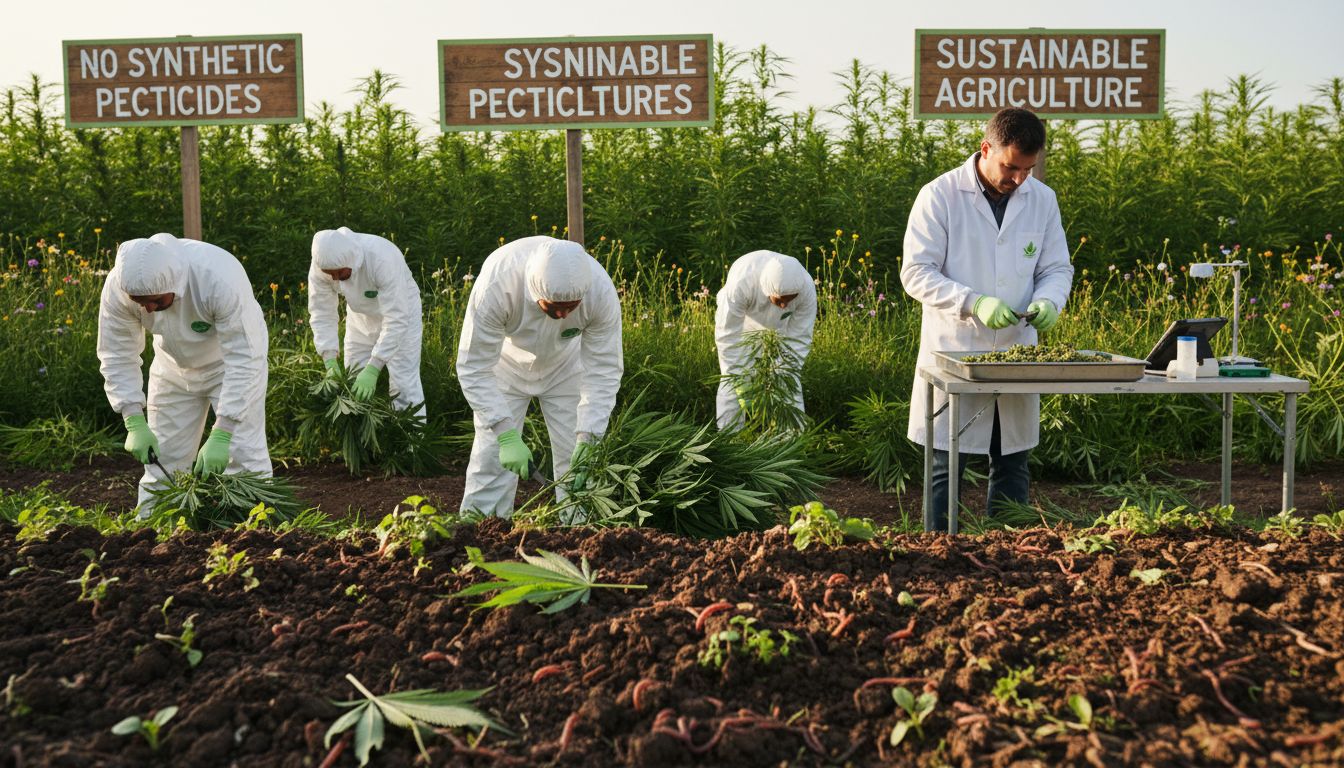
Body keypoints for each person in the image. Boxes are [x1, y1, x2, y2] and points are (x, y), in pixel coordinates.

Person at [900, 107, 1074, 531]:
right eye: (1011, 167)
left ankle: (1010, 551)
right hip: (955, 351)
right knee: (947, 465)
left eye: (1027, 170)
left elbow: (1056, 269)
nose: (1018, 179)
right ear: (986, 148)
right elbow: (915, 272)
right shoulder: (940, 195)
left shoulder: (1041, 199)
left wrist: (1050, 301)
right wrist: (973, 302)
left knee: (1013, 462)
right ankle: (938, 553)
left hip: (1016, 352)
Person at [96, 233, 271, 510]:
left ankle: (253, 536)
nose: (147, 309)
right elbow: (117, 353)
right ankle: (155, 532)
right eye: (139, 301)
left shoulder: (216, 278)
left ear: (173, 284)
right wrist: (132, 418)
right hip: (171, 368)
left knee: (243, 456)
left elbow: (245, 356)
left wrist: (223, 431)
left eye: (155, 300)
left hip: (229, 368)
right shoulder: (118, 287)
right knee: (163, 460)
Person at [456, 236, 623, 518]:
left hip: (566, 366)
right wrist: (506, 434)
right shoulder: (498, 284)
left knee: (577, 461)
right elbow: (474, 366)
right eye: (554, 306)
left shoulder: (601, 293)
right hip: (504, 365)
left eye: (571, 307)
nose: (562, 313)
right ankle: (480, 533)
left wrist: (590, 438)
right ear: (535, 290)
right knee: (492, 457)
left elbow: (603, 370)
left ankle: (580, 535)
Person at [308, 227, 425, 416]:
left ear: (351, 261)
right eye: (330, 274)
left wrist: (374, 367)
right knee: (353, 379)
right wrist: (329, 357)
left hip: (402, 315)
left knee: (403, 384)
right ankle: (365, 441)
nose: (335, 279)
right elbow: (321, 312)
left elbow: (396, 318)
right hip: (360, 318)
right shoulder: (321, 266)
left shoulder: (381, 258)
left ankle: (411, 443)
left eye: (340, 273)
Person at [714, 250, 817, 430]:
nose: (784, 305)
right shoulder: (742, 282)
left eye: (789, 300)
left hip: (781, 331)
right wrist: (736, 373)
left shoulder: (806, 288)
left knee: (788, 381)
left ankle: (790, 442)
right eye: (780, 300)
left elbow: (799, 337)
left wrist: (783, 370)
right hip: (744, 327)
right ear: (768, 288)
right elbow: (727, 333)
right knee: (731, 383)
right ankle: (729, 439)